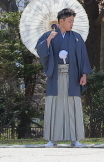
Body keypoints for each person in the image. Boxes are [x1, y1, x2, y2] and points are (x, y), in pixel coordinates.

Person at [36, 8, 92, 147]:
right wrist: (49, 40)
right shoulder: (49, 35)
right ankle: (52, 139)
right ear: (61, 21)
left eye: (73, 21)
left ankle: (75, 138)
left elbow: (83, 57)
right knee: (54, 104)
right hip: (55, 75)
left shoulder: (76, 37)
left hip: (72, 76)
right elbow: (41, 51)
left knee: (72, 105)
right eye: (69, 21)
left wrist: (84, 74)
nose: (72, 24)